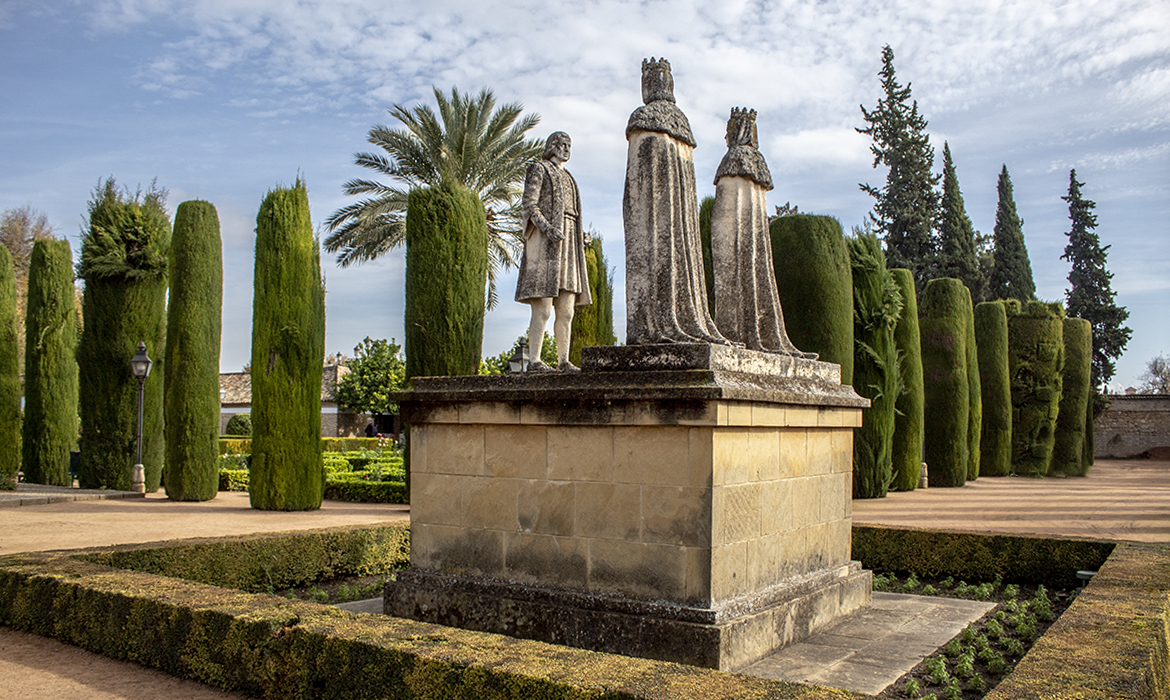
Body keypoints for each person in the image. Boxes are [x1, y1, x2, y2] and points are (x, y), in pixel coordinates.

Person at [623, 58, 731, 346]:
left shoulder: (642, 117)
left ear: (649, 83)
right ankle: (678, 321)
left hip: (655, 220)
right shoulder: (680, 123)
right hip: (673, 220)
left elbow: (635, 186)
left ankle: (664, 324)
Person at [711, 107, 814, 357]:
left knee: (734, 280)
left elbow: (722, 216)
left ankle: (734, 334)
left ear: (739, 132)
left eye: (729, 131)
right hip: (754, 244)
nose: (726, 138)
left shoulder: (733, 160)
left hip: (735, 245)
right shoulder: (758, 166)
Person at [514, 131, 592, 372]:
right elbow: (529, 204)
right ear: (551, 146)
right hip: (546, 245)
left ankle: (563, 361)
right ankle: (535, 361)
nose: (566, 149)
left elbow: (573, 213)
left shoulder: (569, 178)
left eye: (569, 145)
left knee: (566, 309)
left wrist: (579, 236)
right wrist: (547, 228)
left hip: (568, 245)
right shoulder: (539, 168)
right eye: (561, 144)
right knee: (544, 308)